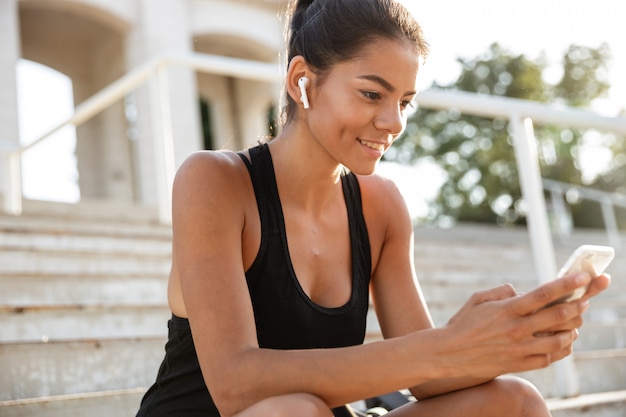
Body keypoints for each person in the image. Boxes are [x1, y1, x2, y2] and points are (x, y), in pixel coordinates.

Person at [136, 1, 611, 416]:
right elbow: (235, 386)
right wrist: (445, 348)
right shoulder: (214, 182)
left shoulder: (381, 205)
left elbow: (426, 379)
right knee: (294, 412)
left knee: (516, 403)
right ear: (303, 81)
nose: (394, 122)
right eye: (372, 94)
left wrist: (501, 340)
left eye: (405, 102)